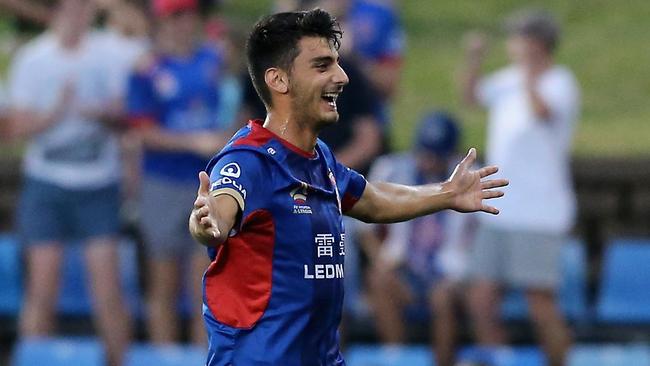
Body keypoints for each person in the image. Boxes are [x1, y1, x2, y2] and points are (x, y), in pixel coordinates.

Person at [189, 9, 508, 365]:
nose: (341, 76)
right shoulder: (249, 161)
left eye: (337, 64)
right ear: (279, 80)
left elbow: (372, 199)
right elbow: (218, 211)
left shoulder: (319, 159)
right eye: (322, 66)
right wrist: (208, 223)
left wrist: (446, 193)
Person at [6, 1, 132, 365]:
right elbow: (15, 127)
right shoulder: (33, 58)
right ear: (56, 11)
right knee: (41, 288)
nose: (78, 14)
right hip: (47, 184)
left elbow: (129, 113)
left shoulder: (109, 53)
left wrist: (107, 114)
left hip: (99, 185)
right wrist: (55, 114)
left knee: (108, 289)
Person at [459, 9, 579, 366]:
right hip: (499, 208)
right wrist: (474, 59)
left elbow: (542, 112)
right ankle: (501, 359)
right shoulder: (508, 79)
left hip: (540, 213)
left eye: (520, 39)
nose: (513, 45)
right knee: (480, 298)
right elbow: (471, 96)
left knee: (539, 303)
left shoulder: (560, 82)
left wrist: (528, 73)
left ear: (538, 44)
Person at [126, 0, 229, 345]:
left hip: (206, 182)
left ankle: (202, 355)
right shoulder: (147, 68)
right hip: (163, 182)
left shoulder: (214, 60)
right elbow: (142, 131)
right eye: (173, 17)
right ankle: (164, 356)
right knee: (163, 279)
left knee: (204, 278)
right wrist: (192, 142)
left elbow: (233, 108)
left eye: (186, 16)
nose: (181, 24)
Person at [359, 111, 477, 366]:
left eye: (436, 155)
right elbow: (362, 225)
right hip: (405, 268)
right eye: (425, 153)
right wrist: (381, 258)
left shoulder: (471, 179)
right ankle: (398, 357)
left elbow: (482, 232)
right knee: (379, 280)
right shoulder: (393, 169)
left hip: (449, 275)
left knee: (443, 298)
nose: (429, 161)